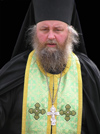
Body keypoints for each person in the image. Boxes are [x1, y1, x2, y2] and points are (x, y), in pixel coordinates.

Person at [0, 0, 100, 134]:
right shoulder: (16, 70)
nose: (51, 36)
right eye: (44, 29)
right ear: (35, 33)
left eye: (58, 30)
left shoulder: (87, 72)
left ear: (70, 33)